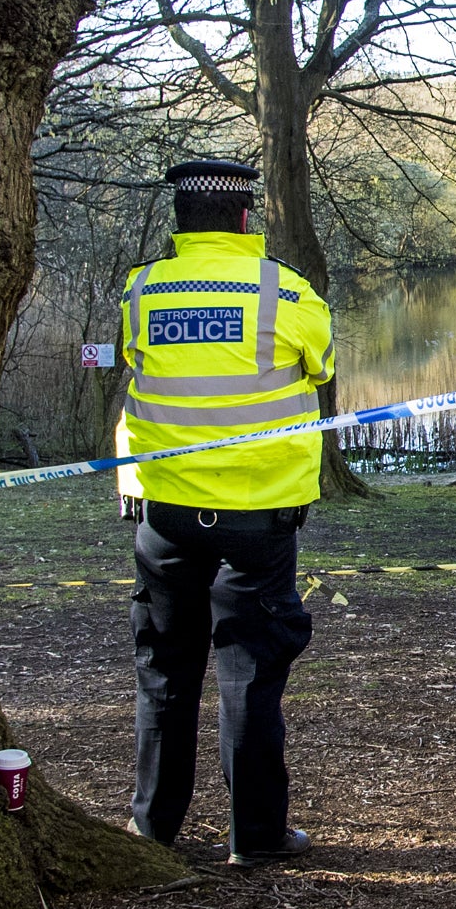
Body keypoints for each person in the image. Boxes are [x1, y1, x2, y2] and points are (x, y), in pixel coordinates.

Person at [116, 158, 336, 867]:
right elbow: (322, 363)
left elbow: (135, 362)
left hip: (168, 513)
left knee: (166, 673)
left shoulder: (142, 291)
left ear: (179, 221)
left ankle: (154, 829)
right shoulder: (287, 292)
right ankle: (257, 836)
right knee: (249, 674)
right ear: (247, 218)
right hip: (257, 517)